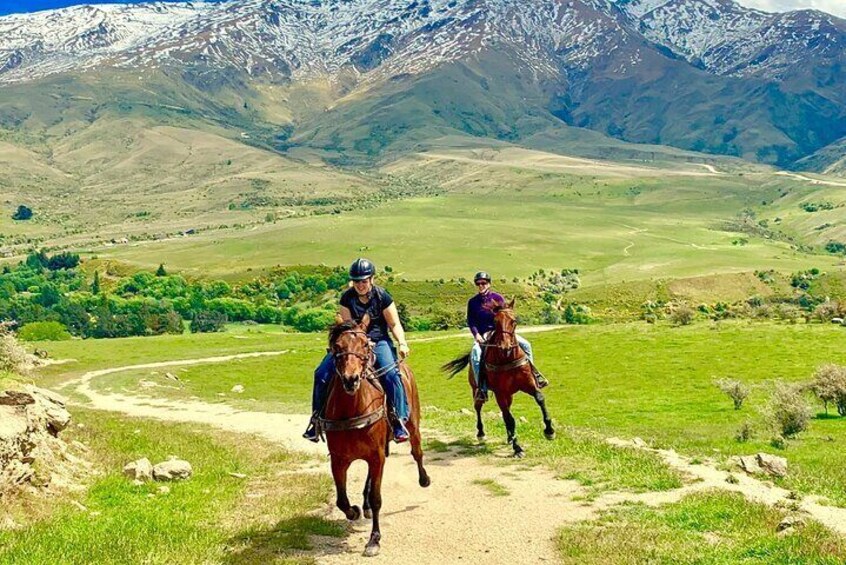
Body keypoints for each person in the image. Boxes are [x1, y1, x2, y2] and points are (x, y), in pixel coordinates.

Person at [303, 258, 411, 443]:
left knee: (392, 375)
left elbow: (394, 324)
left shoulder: (383, 297)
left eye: (364, 280)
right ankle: (316, 420)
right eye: (356, 281)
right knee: (321, 373)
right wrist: (360, 342)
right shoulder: (347, 298)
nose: (360, 285)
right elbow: (347, 327)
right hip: (353, 343)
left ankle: (398, 420)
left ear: (372, 279)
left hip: (380, 341)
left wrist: (402, 342)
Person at [467, 271, 548, 401]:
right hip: (483, 335)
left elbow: (505, 315)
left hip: (501, 332)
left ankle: (534, 375)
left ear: (489, 284)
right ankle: (481, 389)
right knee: (475, 354)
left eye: (484, 283)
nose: (481, 285)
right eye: (478, 283)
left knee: (526, 344)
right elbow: (471, 321)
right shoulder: (472, 302)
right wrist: (476, 335)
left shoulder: (498, 297)